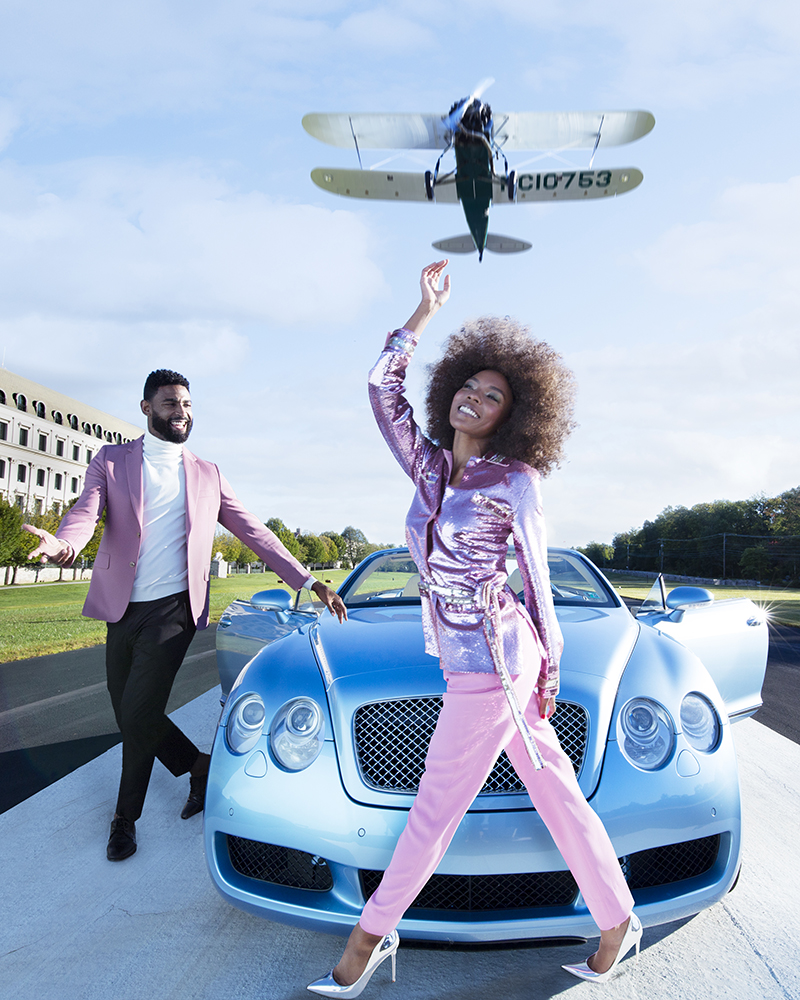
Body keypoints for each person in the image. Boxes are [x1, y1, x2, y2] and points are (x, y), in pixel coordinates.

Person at [307, 263, 640, 998]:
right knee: (553, 787)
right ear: (449, 391)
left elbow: (540, 581)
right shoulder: (426, 466)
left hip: (499, 657)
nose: (475, 398)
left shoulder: (515, 480)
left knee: (435, 804)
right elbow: (376, 389)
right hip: (462, 656)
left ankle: (367, 939)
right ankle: (616, 916)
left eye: (493, 396)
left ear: (511, 417)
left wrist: (550, 666)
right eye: (469, 386)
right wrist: (421, 313)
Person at [23, 369, 346, 863]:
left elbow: (254, 533)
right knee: (131, 710)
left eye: (188, 405)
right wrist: (65, 544)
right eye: (171, 403)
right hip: (122, 607)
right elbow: (84, 514)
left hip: (174, 610)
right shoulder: (111, 461)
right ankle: (199, 766)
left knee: (137, 714)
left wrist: (308, 580)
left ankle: (124, 820)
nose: (182, 412)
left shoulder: (207, 474)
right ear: (147, 407)